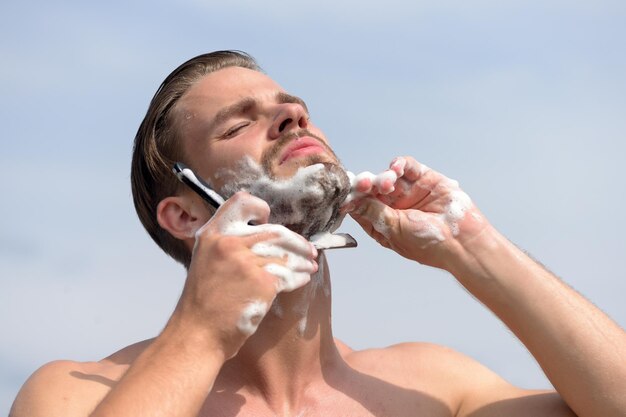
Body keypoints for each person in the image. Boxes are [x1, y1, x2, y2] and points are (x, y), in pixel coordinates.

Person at [10, 50, 626, 417]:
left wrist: (473, 249)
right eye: (236, 126)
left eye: (292, 109)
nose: (291, 116)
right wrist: (200, 332)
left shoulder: (431, 389)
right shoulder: (78, 392)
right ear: (187, 216)